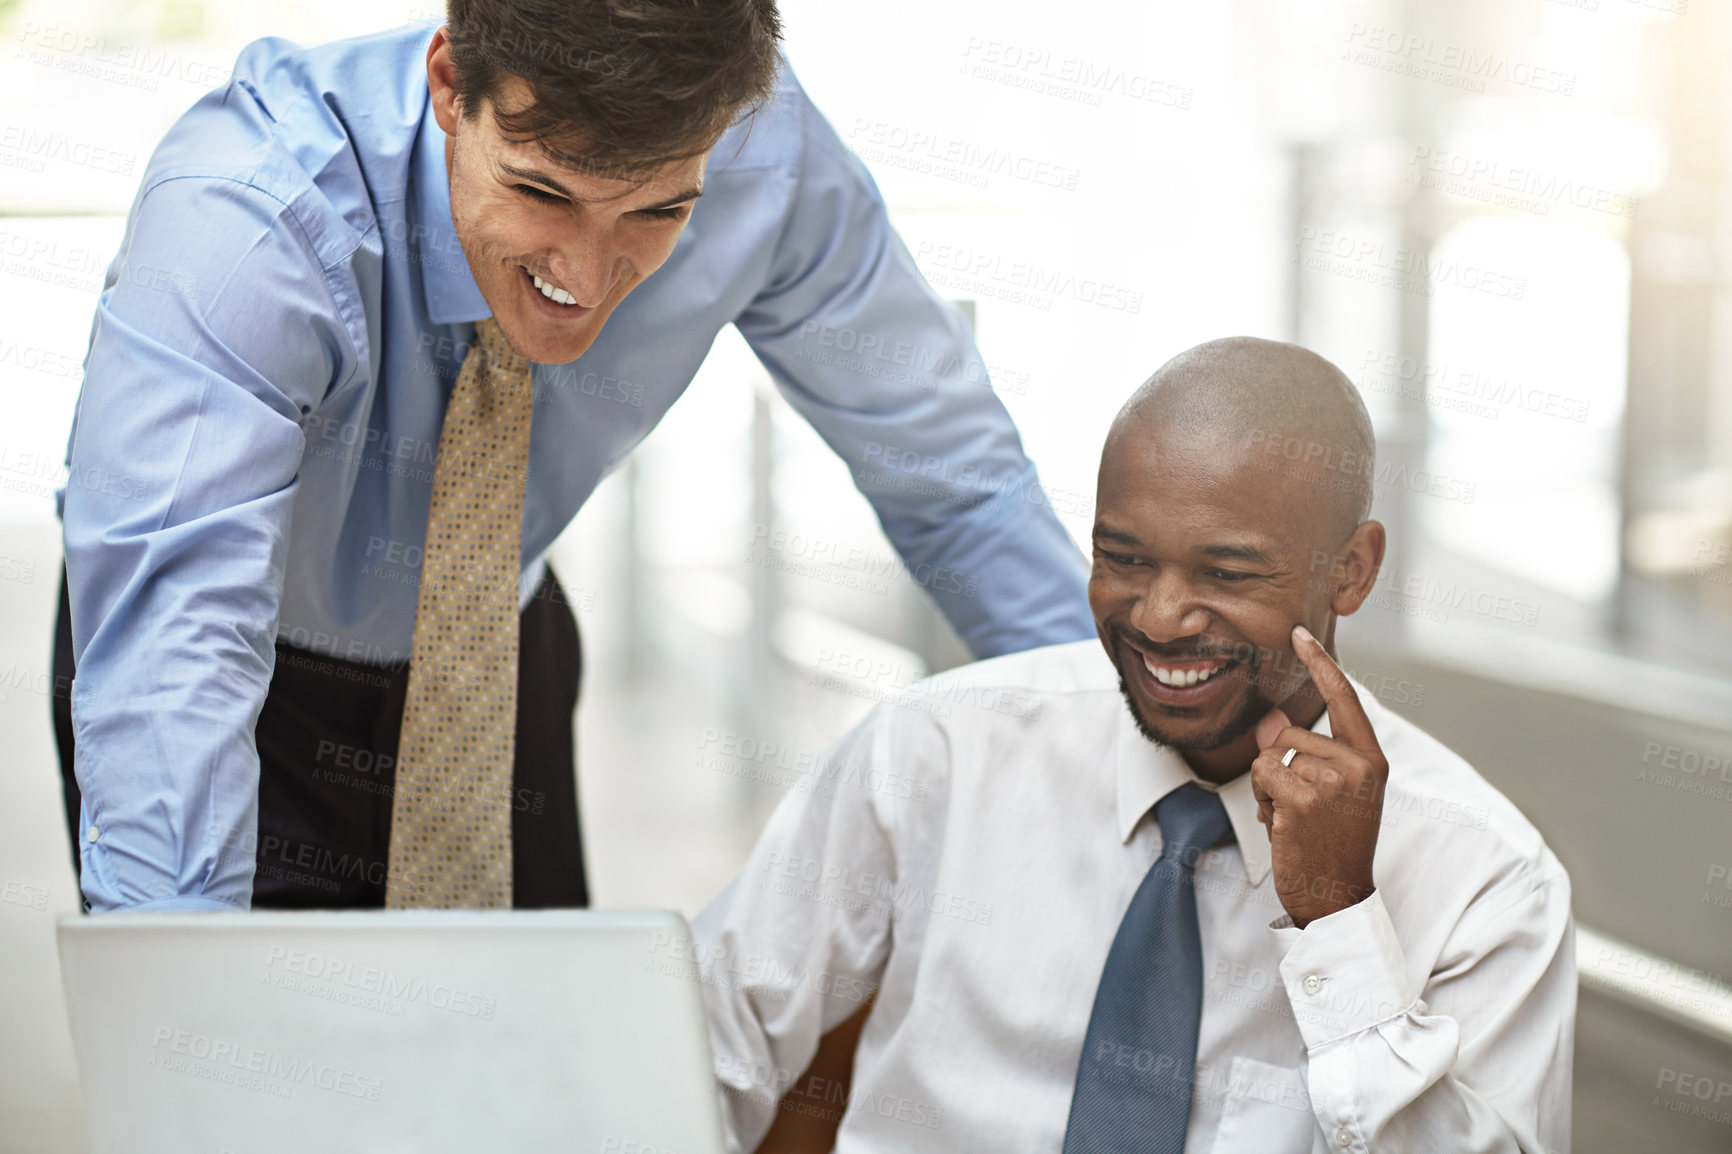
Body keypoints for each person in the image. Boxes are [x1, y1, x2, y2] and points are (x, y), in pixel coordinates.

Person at [52, 1, 1093, 913]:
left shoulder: (764, 154)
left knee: (522, 1062)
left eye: (657, 210)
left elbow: (957, 488)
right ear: (452, 82)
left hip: (496, 648)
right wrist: (178, 1001)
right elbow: (171, 654)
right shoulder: (247, 218)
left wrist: (1121, 745)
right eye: (544, 192)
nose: (587, 275)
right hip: (238, 661)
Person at [692, 337, 1574, 1152]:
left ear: (1351, 570)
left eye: (1225, 574)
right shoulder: (934, 754)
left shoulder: (1486, 879)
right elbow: (696, 1041)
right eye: (1123, 558)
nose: (1157, 619)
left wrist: (1339, 925)